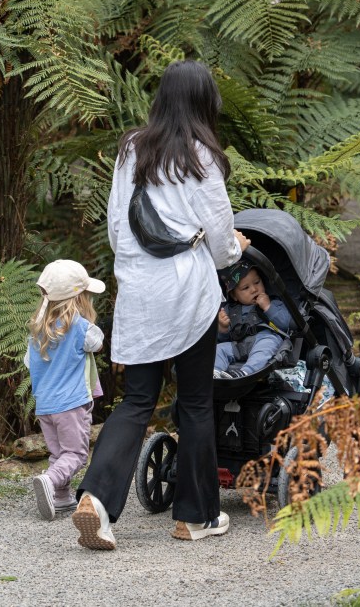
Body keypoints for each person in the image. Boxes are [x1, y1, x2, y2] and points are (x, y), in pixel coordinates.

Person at [73, 60, 250, 550]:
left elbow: (115, 228)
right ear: (203, 102)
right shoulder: (202, 157)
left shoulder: (132, 148)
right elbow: (219, 242)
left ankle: (97, 501)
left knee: (135, 401)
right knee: (195, 403)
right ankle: (194, 516)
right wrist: (236, 246)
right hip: (188, 295)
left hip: (139, 293)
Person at [24, 259, 106, 522]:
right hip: (71, 404)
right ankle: (50, 481)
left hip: (45, 405)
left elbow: (28, 362)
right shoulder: (80, 326)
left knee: (60, 453)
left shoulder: (37, 331)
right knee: (76, 454)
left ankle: (60, 497)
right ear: (79, 298)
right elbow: (98, 342)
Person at [213, 259, 295, 378]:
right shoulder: (229, 310)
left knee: (266, 346)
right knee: (219, 349)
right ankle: (215, 372)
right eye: (245, 288)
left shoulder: (274, 303)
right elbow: (224, 339)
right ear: (234, 295)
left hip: (264, 338)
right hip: (237, 345)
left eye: (257, 282)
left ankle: (246, 372)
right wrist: (223, 328)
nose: (254, 289)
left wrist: (268, 307)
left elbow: (286, 324)